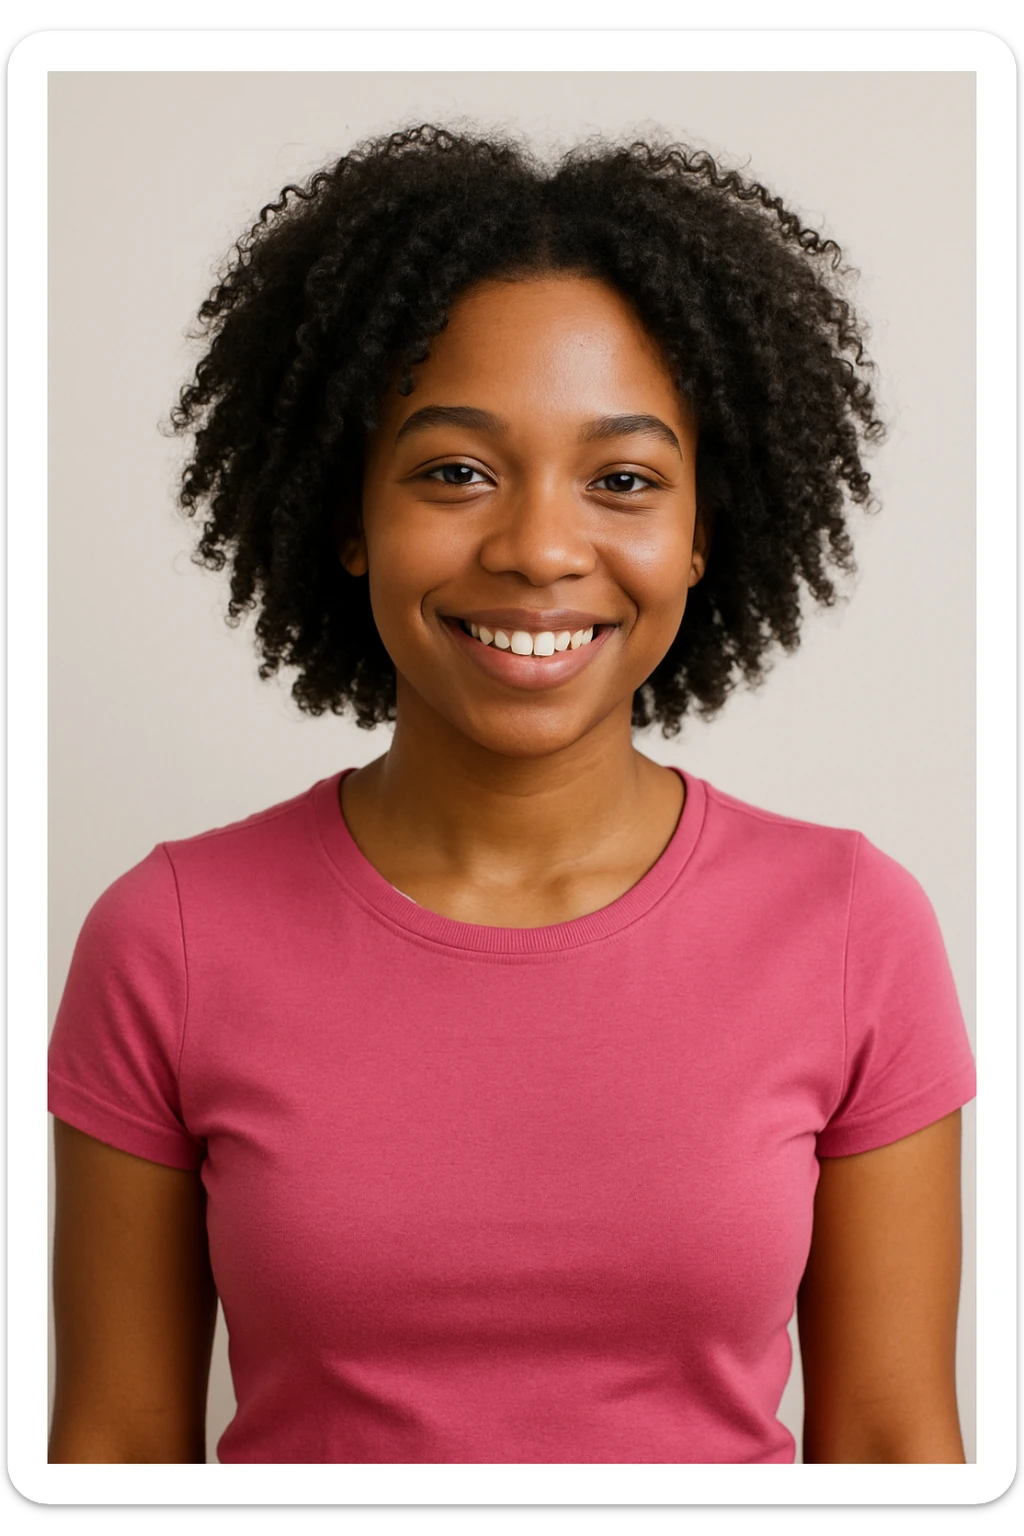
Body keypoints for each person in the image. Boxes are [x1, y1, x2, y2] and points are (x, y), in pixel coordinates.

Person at [47, 123, 976, 1466]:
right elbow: (115, 1451)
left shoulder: (850, 927)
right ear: (348, 515)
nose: (541, 546)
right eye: (455, 471)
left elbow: (895, 1446)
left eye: (623, 480)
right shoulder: (169, 937)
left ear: (705, 529)